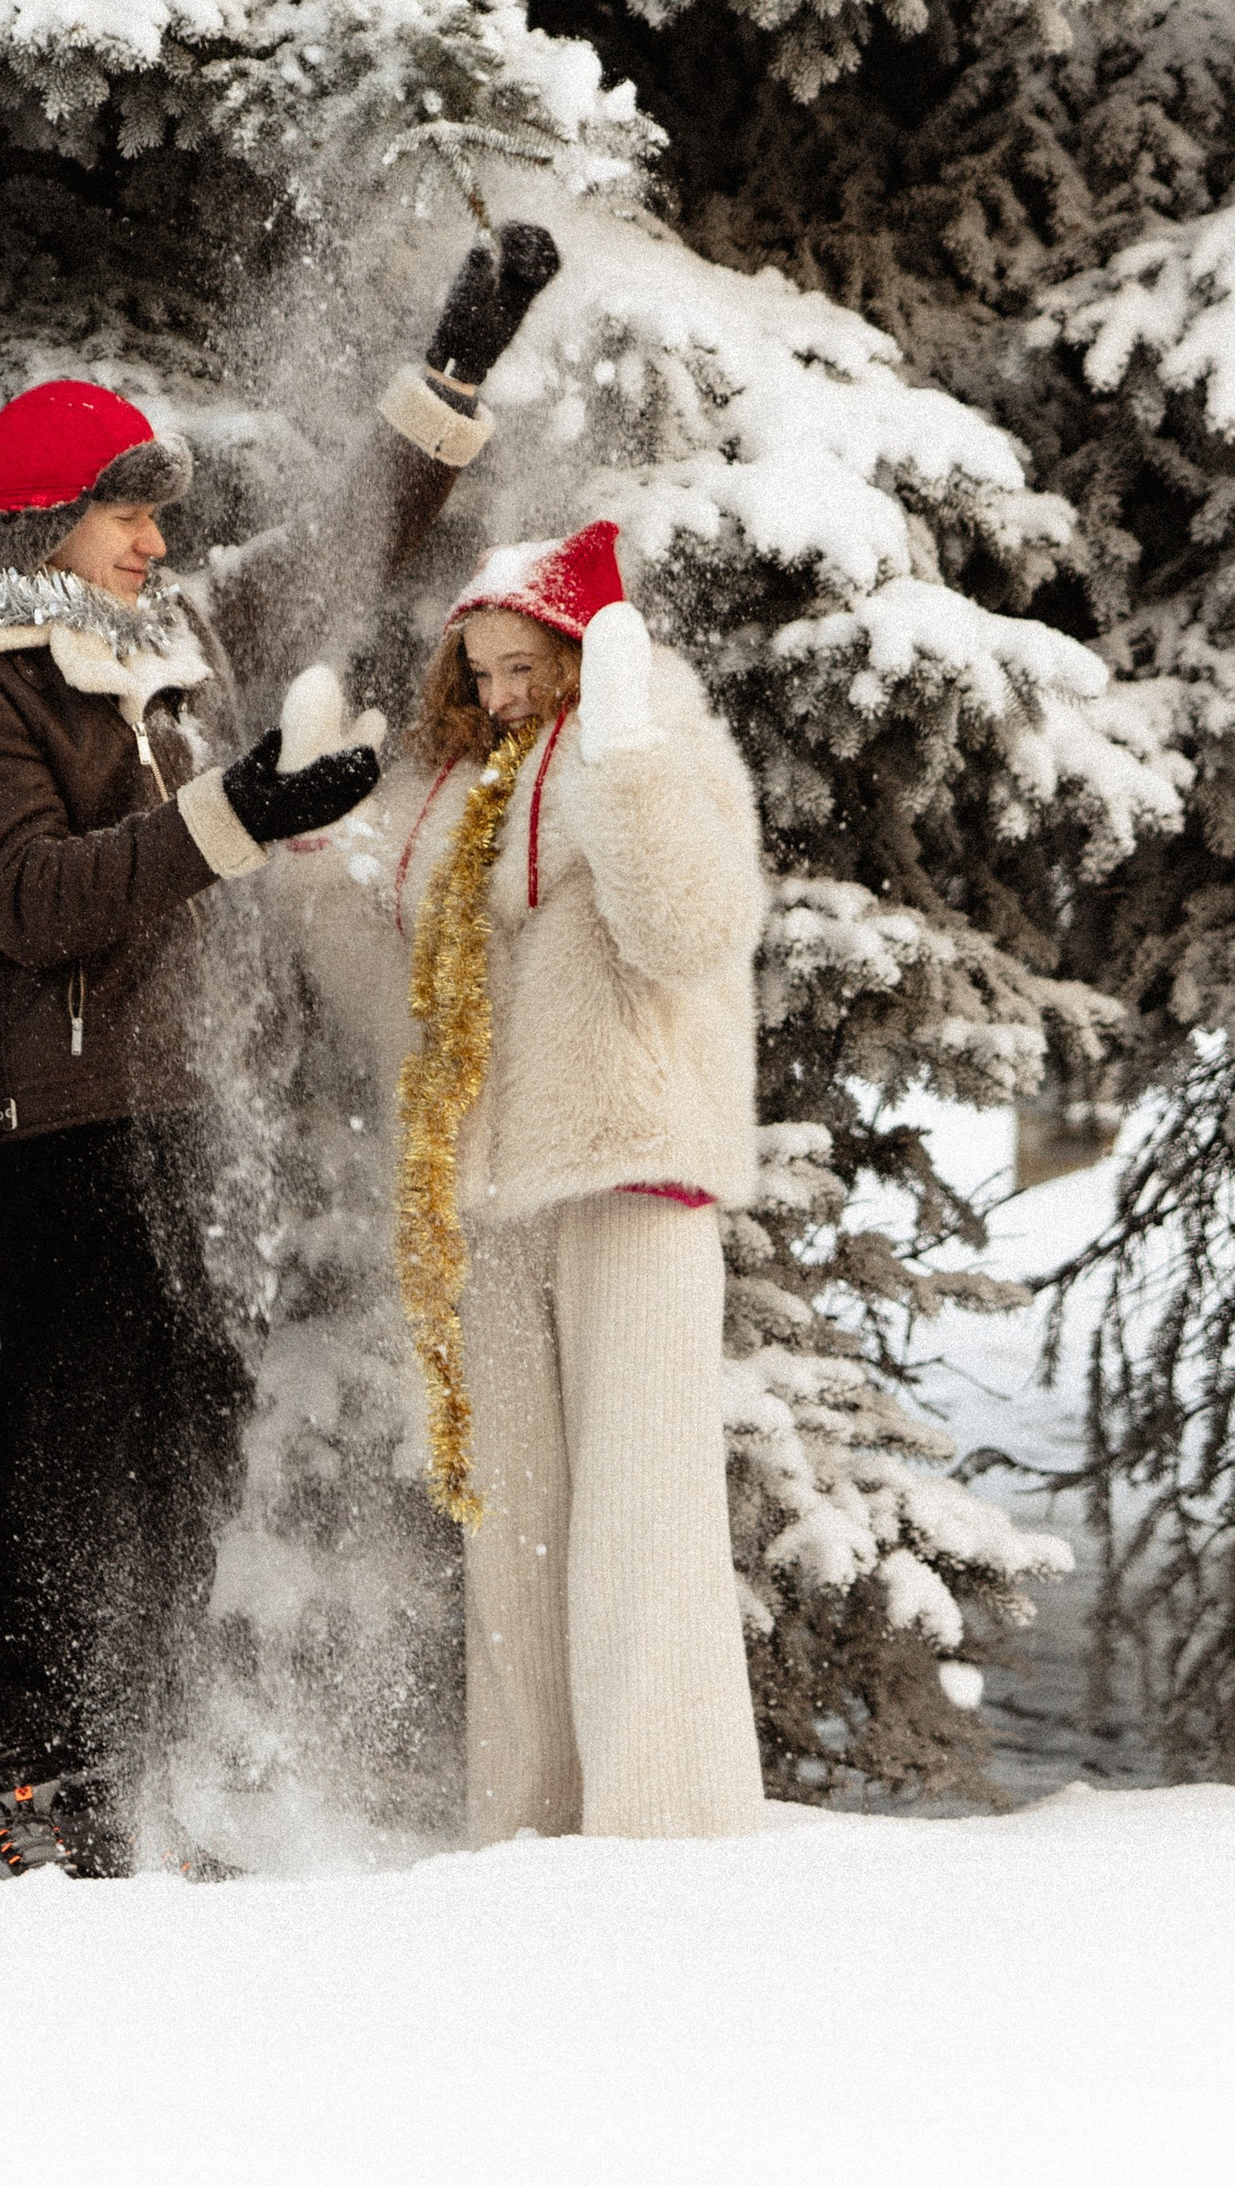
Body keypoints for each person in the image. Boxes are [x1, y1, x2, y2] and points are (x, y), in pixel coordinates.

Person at [0, 228, 561, 1878]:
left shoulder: (177, 636)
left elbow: (350, 539)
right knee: (78, 1433)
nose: (156, 540)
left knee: (187, 1417)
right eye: (125, 514)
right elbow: (29, 899)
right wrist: (238, 811)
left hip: (189, 1104)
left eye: (157, 514)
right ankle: (30, 1779)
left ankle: (129, 1766)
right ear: (43, 523)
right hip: (71, 1116)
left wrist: (451, 370)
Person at [301, 518, 768, 1841]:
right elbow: (394, 1001)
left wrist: (621, 755)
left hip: (633, 1173)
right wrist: (308, 854)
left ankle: (663, 1832)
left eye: (526, 667)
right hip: (490, 1194)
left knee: (639, 1516)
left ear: (581, 653)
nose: (502, 693)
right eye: (482, 668)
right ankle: (525, 1835)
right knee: (516, 1538)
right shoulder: (457, 791)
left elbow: (692, 928)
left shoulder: (659, 746)